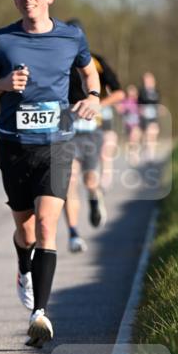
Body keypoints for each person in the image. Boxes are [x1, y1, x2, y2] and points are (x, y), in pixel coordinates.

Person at [0, 0, 101, 347]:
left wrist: (92, 98)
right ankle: (22, 267)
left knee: (48, 224)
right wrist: (2, 84)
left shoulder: (71, 36)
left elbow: (89, 73)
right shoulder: (1, 40)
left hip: (56, 144)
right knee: (25, 231)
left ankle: (40, 314)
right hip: (13, 145)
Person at [63, 21, 124, 253]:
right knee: (69, 181)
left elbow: (119, 92)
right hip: (66, 129)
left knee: (89, 180)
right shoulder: (57, 61)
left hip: (91, 131)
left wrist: (97, 104)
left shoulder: (96, 61)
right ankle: (73, 233)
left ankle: (94, 198)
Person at [138, 72, 161, 160]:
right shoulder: (142, 91)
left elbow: (157, 102)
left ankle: (152, 152)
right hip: (145, 116)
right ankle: (145, 148)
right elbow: (139, 102)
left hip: (153, 115)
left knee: (154, 132)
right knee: (147, 133)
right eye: (146, 79)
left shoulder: (156, 91)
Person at [119, 85, 142, 164]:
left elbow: (141, 111)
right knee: (132, 139)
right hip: (128, 124)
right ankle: (132, 154)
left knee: (135, 138)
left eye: (133, 91)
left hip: (137, 123)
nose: (131, 93)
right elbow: (120, 110)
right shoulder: (125, 101)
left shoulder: (138, 101)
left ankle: (135, 154)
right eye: (130, 91)